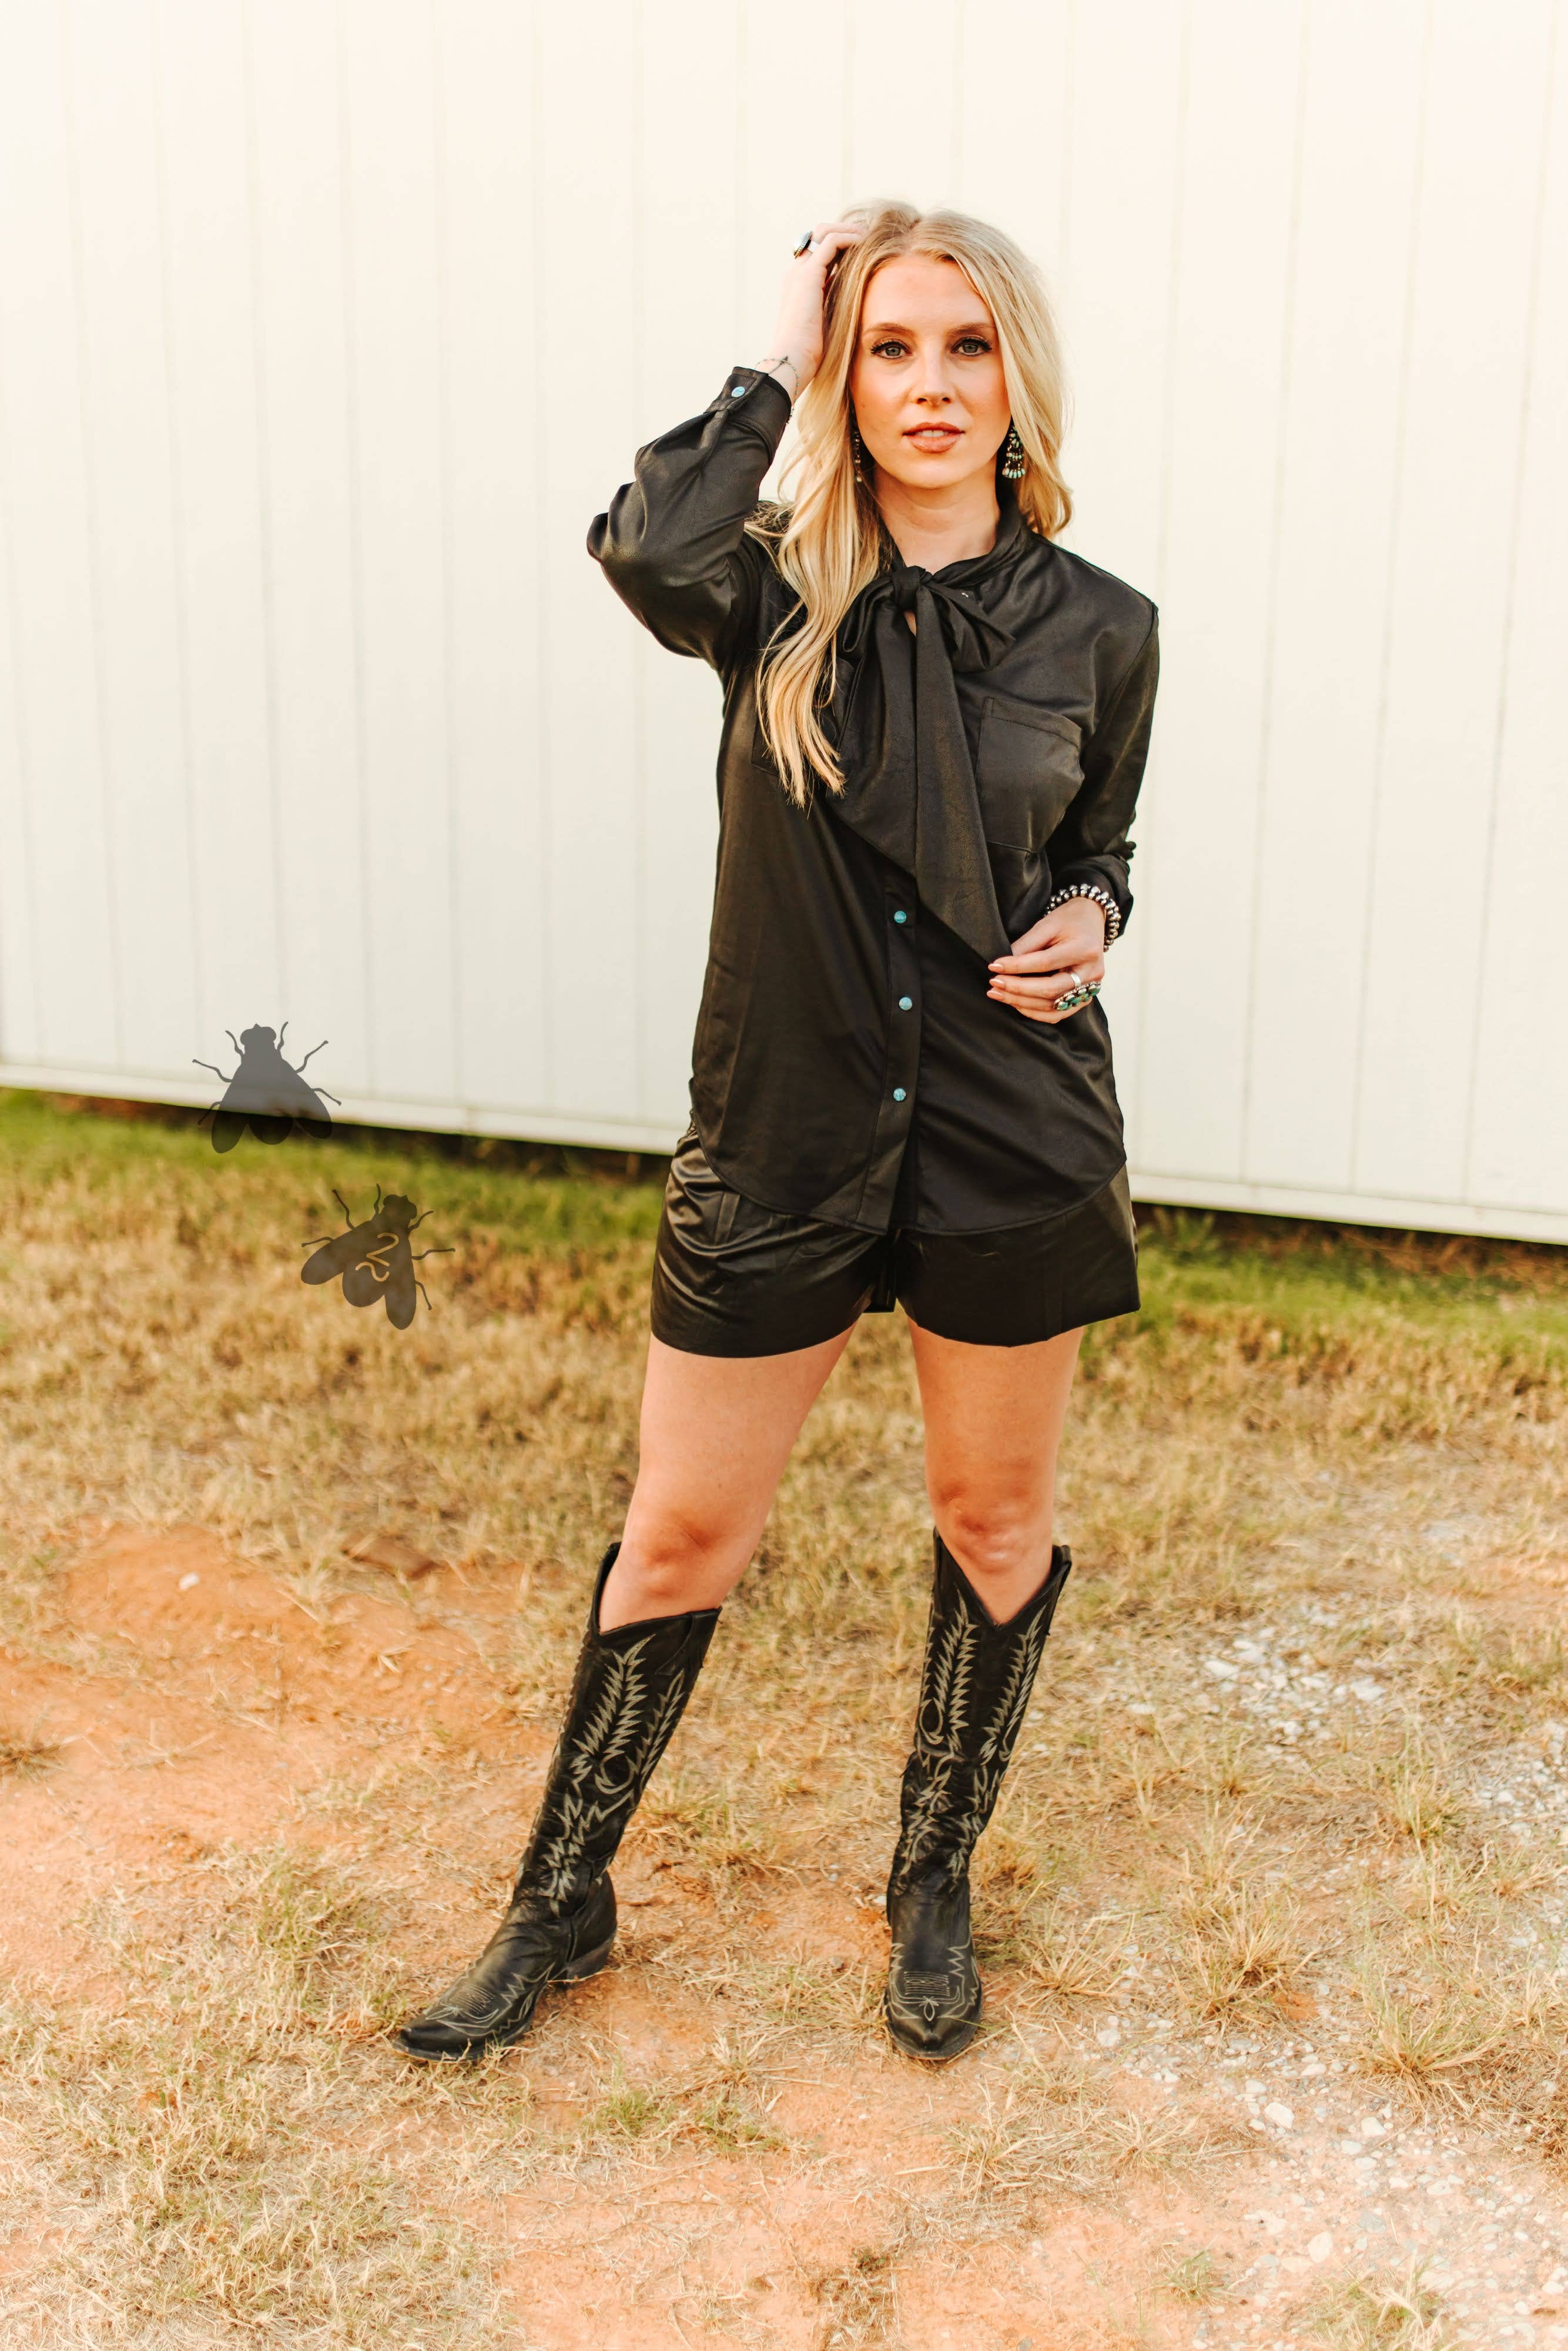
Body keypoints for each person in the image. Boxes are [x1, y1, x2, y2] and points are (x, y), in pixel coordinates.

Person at [396, 200, 1158, 2068]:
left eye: (962, 347)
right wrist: (772, 345)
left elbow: (1097, 848)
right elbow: (639, 541)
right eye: (887, 346)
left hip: (1005, 1134)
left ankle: (928, 1878)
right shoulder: (766, 584)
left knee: (992, 1516)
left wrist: (1097, 920)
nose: (926, 386)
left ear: (1015, 377)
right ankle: (558, 1896)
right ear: (843, 366)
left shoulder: (1104, 628)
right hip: (782, 1128)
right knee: (677, 1534)